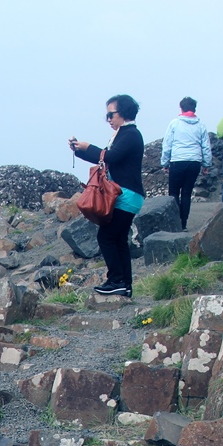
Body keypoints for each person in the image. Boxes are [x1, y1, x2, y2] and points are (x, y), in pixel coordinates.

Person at [69, 94, 144, 298]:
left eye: (111, 114)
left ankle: (116, 280)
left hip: (126, 195)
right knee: (118, 238)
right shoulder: (124, 134)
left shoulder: (130, 134)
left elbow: (109, 156)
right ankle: (124, 284)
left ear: (124, 113)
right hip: (128, 194)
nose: (108, 119)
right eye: (107, 115)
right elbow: (107, 157)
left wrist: (88, 148)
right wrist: (80, 151)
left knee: (107, 236)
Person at [161, 97, 212, 230]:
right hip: (194, 162)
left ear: (181, 108)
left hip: (177, 161)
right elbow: (205, 146)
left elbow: (167, 145)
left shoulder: (174, 123)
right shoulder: (200, 125)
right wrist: (206, 165)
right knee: (186, 193)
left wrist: (165, 163)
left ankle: (174, 222)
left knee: (173, 192)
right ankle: (183, 223)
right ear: (194, 108)